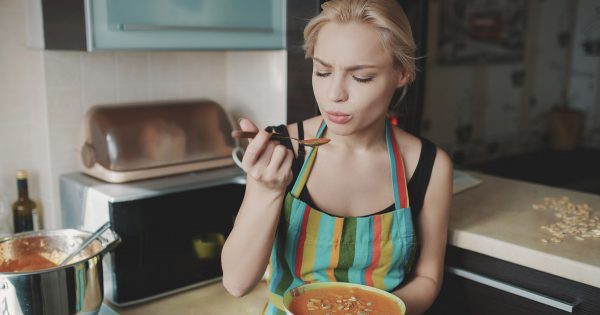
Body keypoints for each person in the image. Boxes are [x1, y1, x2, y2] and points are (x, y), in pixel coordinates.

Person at [221, 0, 453, 314]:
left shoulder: (429, 166)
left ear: (403, 73)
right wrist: (266, 191)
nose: (334, 94)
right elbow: (236, 283)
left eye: (361, 78)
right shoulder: (283, 150)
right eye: (323, 71)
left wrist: (371, 312)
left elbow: (427, 277)